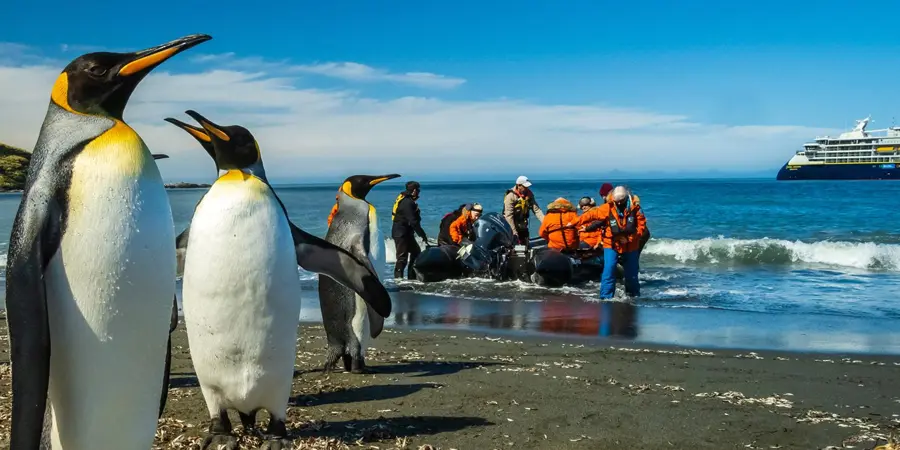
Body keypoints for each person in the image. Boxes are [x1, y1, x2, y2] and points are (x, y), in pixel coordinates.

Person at [576, 186, 647, 299]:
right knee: (609, 270)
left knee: (631, 274)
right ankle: (606, 297)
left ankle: (634, 296)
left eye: (621, 201)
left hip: (630, 244)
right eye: (616, 201)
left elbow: (641, 227)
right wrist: (575, 221)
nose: (618, 203)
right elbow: (593, 215)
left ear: (625, 199)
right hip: (611, 243)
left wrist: (629, 239)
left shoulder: (636, 208)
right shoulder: (607, 207)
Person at [599, 182, 650, 253]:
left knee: (633, 254)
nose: (603, 198)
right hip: (638, 233)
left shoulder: (621, 204)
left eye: (603, 195)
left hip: (639, 233)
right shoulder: (615, 203)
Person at [391, 181, 428, 279]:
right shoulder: (407, 202)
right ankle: (398, 280)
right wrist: (422, 235)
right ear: (414, 190)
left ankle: (411, 277)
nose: (419, 192)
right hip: (401, 233)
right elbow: (413, 222)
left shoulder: (405, 199)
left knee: (416, 252)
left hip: (406, 233)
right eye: (418, 190)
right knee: (402, 258)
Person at [503, 175, 545, 246]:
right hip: (512, 227)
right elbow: (508, 216)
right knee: (514, 249)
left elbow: (537, 210)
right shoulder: (510, 196)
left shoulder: (529, 195)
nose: (526, 188)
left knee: (526, 246)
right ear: (519, 185)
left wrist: (546, 223)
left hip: (523, 226)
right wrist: (514, 232)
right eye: (524, 187)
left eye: (527, 187)